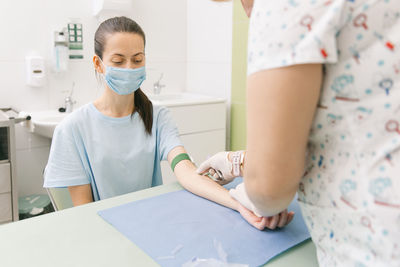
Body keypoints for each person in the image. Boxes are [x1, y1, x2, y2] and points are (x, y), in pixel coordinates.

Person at [43, 16, 293, 231]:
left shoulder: (157, 117)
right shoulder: (72, 129)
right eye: (119, 61)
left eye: (137, 59)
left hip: (152, 225)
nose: (129, 68)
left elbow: (185, 171)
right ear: (98, 64)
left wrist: (241, 204)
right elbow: (83, 214)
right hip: (105, 231)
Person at [200, 0, 400, 265]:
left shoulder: (281, 6)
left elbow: (270, 190)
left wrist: (249, 191)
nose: (247, 10)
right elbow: (358, 124)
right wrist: (241, 162)